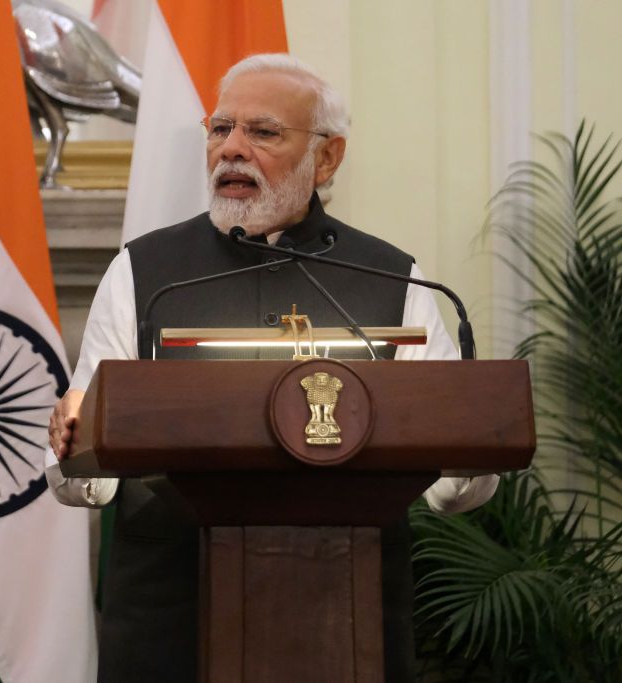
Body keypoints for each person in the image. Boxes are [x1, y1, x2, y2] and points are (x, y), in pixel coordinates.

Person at [45, 53, 498, 683]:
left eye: (262, 133)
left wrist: (473, 452)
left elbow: (456, 489)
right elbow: (82, 479)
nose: (231, 149)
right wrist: (74, 445)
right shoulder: (143, 272)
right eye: (219, 129)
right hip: (171, 614)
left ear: (329, 157)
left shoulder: (396, 282)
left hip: (346, 614)